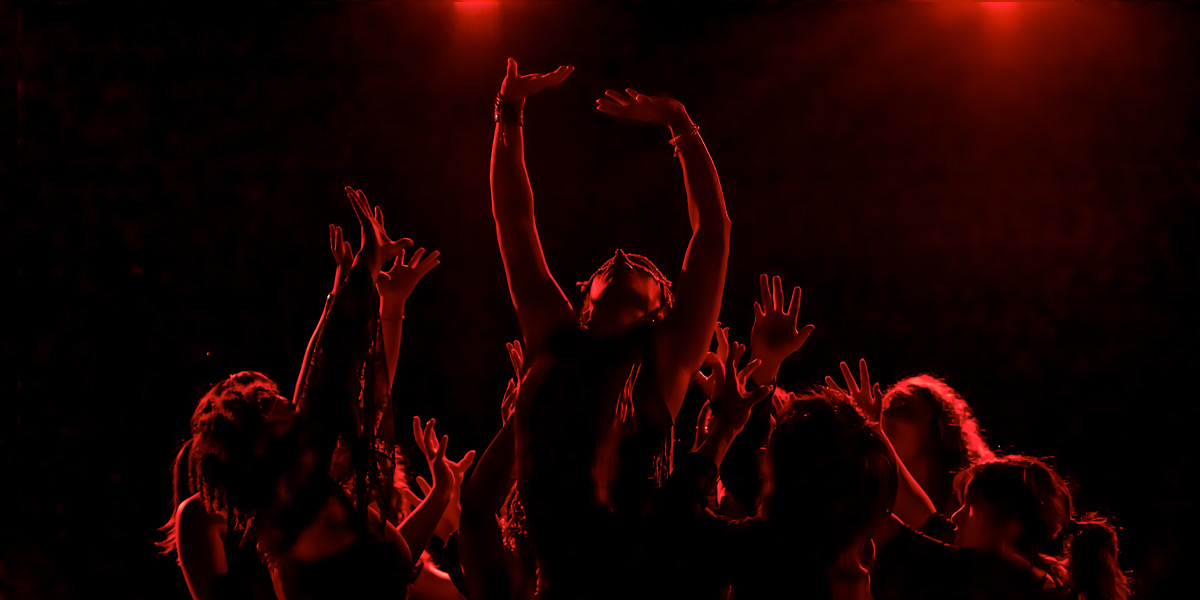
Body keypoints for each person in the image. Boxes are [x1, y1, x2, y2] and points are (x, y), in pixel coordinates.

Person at [489, 58, 730, 598]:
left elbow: (713, 232)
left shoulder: (668, 355)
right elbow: (514, 221)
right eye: (607, 265)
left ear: (662, 305)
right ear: (584, 300)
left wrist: (681, 124)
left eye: (642, 266)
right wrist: (508, 112)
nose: (621, 254)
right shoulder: (555, 339)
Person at [159, 188, 461, 600]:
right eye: (268, 402)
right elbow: (329, 377)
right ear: (255, 439)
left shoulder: (328, 495)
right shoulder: (269, 516)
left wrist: (363, 284)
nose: (288, 402)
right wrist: (361, 275)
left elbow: (346, 382)